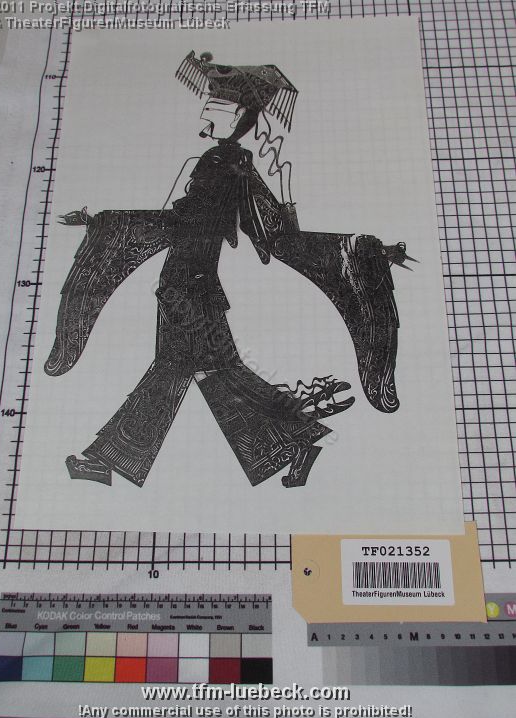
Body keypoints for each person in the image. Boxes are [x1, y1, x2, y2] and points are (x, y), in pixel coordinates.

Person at [46, 52, 414, 490]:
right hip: (188, 286)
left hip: (188, 288)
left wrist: (102, 222)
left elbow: (209, 225)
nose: (204, 121)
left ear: (239, 116)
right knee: (204, 373)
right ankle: (297, 442)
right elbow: (269, 233)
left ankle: (105, 462)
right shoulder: (232, 165)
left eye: (213, 112)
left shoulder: (221, 164)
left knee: (184, 371)